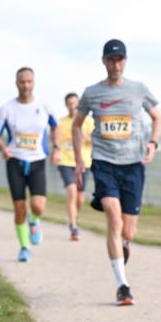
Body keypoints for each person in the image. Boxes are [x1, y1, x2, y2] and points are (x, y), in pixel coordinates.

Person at [73, 39, 161, 305]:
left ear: (125, 61)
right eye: (111, 59)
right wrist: (79, 158)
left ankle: (124, 245)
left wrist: (152, 143)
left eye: (120, 59)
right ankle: (123, 285)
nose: (116, 64)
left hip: (133, 164)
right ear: (104, 61)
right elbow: (77, 125)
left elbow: (157, 117)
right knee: (113, 216)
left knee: (128, 231)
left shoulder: (138, 90)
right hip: (103, 161)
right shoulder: (92, 93)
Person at [0, 67, 59, 262]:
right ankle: (24, 247)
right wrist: (3, 148)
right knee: (19, 208)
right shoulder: (7, 108)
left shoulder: (44, 106)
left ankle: (35, 220)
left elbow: (55, 127)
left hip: (37, 160)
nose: (26, 85)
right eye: (22, 82)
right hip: (15, 161)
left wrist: (57, 148)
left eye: (29, 81)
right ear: (16, 83)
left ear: (34, 82)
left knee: (38, 206)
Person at [55, 93, 94, 240]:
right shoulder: (61, 122)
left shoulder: (88, 122)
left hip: (83, 162)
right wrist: (56, 151)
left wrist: (85, 137)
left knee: (80, 198)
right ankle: (74, 227)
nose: (72, 106)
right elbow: (56, 140)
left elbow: (96, 140)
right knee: (71, 192)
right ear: (66, 105)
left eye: (75, 103)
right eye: (69, 104)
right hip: (65, 161)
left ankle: (74, 217)